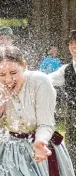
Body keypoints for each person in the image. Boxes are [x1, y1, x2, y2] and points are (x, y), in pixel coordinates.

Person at [0, 46, 74, 176]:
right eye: (2, 74)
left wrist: (40, 142)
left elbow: (46, 124)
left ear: (24, 65)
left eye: (13, 73)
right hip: (10, 152)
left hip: (40, 150)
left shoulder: (40, 81)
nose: (8, 80)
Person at [48, 30, 76, 171]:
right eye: (71, 43)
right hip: (73, 121)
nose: (74, 46)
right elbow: (45, 80)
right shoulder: (65, 70)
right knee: (73, 156)